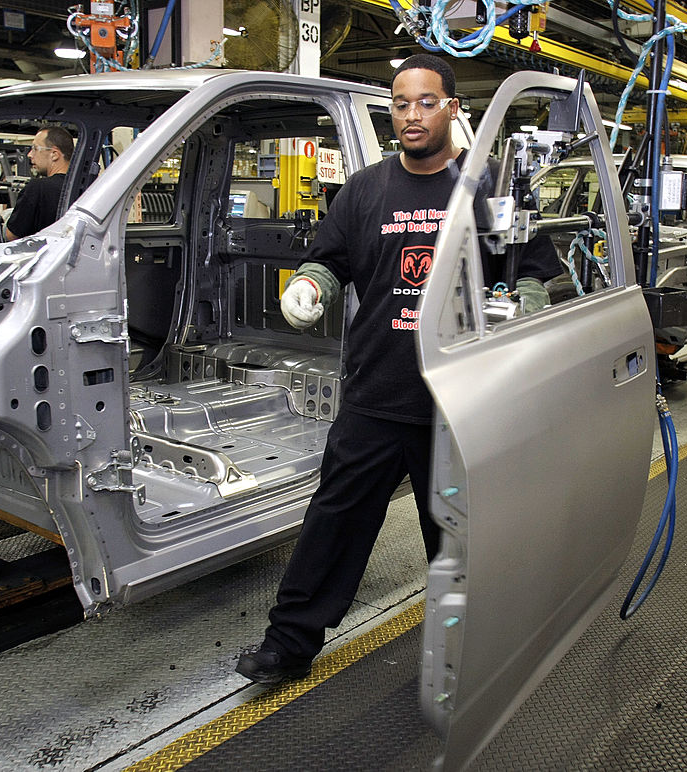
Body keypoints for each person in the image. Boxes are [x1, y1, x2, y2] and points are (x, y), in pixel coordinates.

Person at [235, 54, 561, 685]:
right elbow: (330, 260)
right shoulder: (365, 190)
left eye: (426, 102)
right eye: (402, 103)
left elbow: (538, 274)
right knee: (334, 520)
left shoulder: (487, 188)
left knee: (456, 540)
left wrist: (530, 305)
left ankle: (472, 650)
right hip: (376, 391)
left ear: (453, 109)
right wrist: (311, 285)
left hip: (458, 401)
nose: (413, 115)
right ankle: (290, 642)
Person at [4, 126, 74, 241]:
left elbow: (11, 235)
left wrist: (7, 218)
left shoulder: (37, 188)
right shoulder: (88, 189)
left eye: (35, 149)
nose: (30, 155)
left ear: (54, 154)